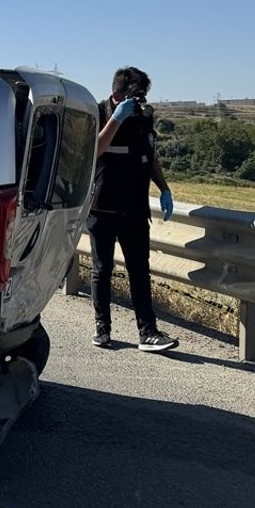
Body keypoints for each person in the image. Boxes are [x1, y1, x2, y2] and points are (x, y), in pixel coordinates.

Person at [89, 66, 178, 353]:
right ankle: (102, 329)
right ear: (118, 92)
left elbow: (149, 155)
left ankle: (148, 332)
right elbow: (96, 148)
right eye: (135, 93)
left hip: (136, 206)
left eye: (143, 95)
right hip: (103, 205)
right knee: (102, 269)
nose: (140, 100)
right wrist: (116, 118)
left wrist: (163, 188)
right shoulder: (98, 113)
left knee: (139, 270)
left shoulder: (143, 117)